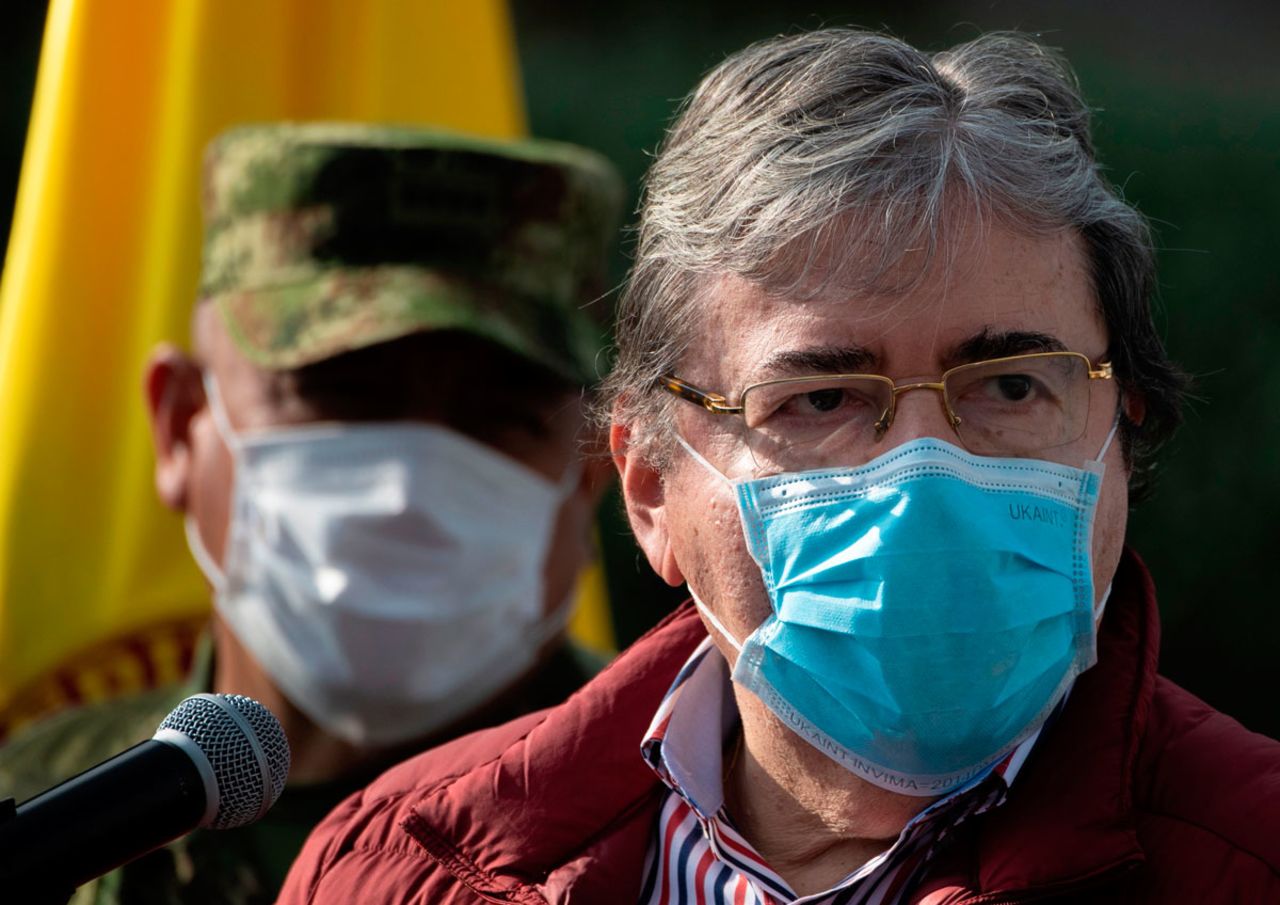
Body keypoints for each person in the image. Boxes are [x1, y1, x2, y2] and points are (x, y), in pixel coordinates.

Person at [278, 29, 1280, 905]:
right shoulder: (397, 864)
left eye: (1010, 385)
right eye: (821, 399)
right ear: (648, 487)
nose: (919, 469)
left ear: (1120, 425)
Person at [0, 122, 623, 904]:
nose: (408, 488)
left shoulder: (697, 841)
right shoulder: (37, 815)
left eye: (500, 415)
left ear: (597, 472)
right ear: (180, 423)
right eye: (344, 392)